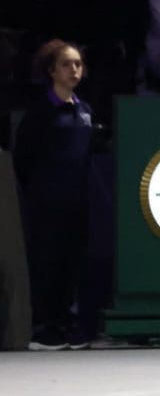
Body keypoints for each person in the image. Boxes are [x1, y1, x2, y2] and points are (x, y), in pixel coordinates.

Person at [13, 39, 94, 350]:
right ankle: (46, 329)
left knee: (74, 263)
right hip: (47, 203)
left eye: (78, 64)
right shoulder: (40, 112)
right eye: (66, 64)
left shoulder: (85, 110)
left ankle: (71, 326)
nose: (74, 70)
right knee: (47, 263)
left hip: (78, 202)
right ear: (51, 71)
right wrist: (42, 190)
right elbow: (24, 157)